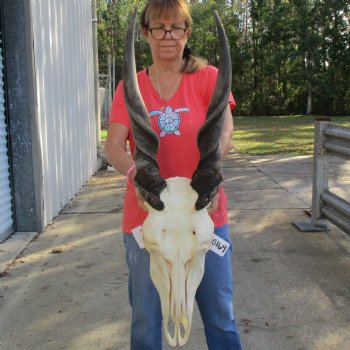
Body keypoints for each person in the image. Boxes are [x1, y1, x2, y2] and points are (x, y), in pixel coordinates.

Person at [105, 1, 243, 349]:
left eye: (176, 27)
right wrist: (137, 175)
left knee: (220, 318)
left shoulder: (208, 78)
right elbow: (114, 148)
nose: (168, 36)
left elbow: (225, 134)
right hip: (146, 223)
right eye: (159, 28)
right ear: (145, 33)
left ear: (188, 31)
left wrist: (210, 175)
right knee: (146, 324)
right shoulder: (130, 87)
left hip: (205, 217)